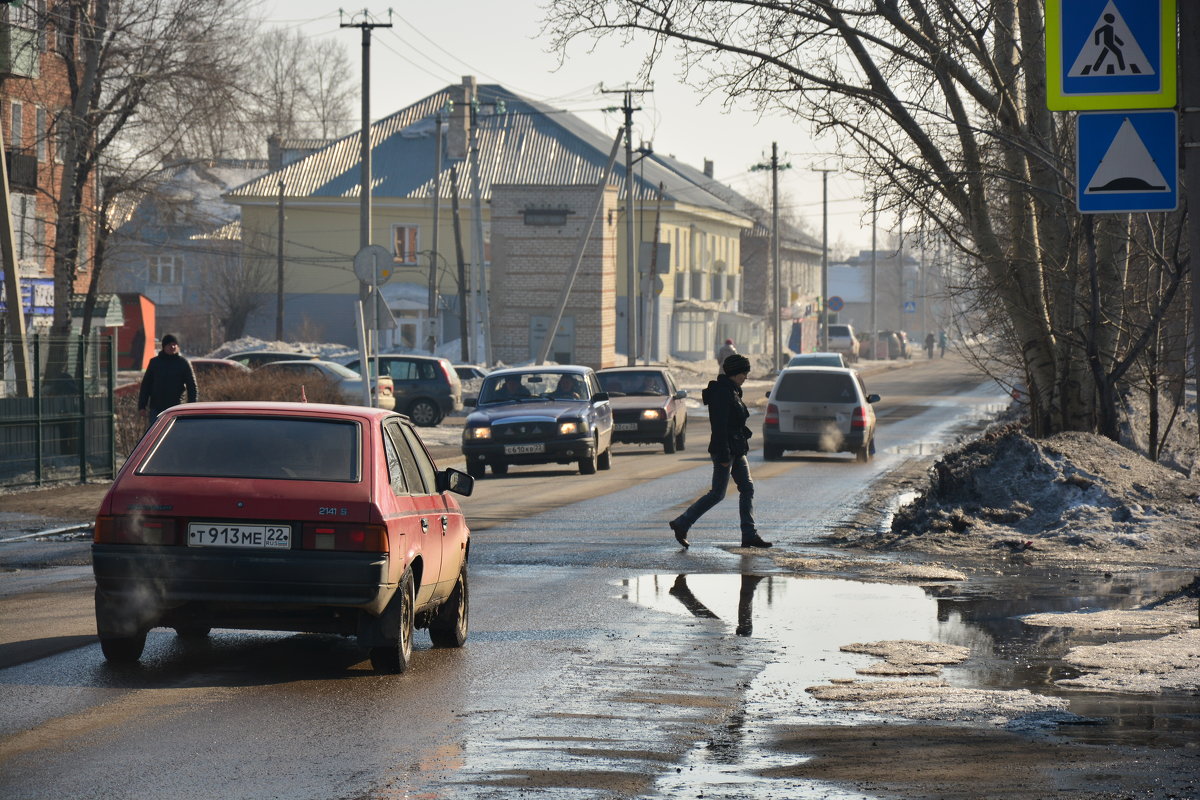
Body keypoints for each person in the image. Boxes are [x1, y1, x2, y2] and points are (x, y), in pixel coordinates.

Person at [669, 354, 772, 549]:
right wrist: (724, 455)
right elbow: (719, 426)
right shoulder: (723, 393)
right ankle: (682, 523)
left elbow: (734, 422)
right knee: (717, 493)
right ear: (734, 372)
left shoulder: (732, 390)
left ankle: (749, 534)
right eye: (744, 373)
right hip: (725, 450)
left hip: (736, 449)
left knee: (747, 488)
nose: (746, 377)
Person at [137, 333, 198, 429]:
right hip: (157, 408)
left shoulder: (183, 363)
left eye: (174, 344)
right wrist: (142, 406)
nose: (172, 347)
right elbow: (146, 385)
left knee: (176, 434)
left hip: (177, 408)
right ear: (164, 347)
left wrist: (192, 406)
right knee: (155, 434)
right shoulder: (155, 363)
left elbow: (192, 386)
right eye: (169, 344)